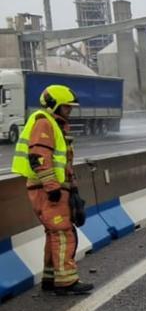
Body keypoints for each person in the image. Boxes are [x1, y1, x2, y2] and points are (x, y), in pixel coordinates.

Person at [9, 84, 94, 295]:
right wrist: (52, 187)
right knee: (63, 232)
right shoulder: (44, 122)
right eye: (66, 107)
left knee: (54, 233)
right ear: (53, 105)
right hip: (47, 189)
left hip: (51, 187)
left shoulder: (54, 124)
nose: (69, 111)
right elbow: (39, 157)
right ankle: (66, 282)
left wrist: (72, 187)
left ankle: (51, 278)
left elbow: (62, 161)